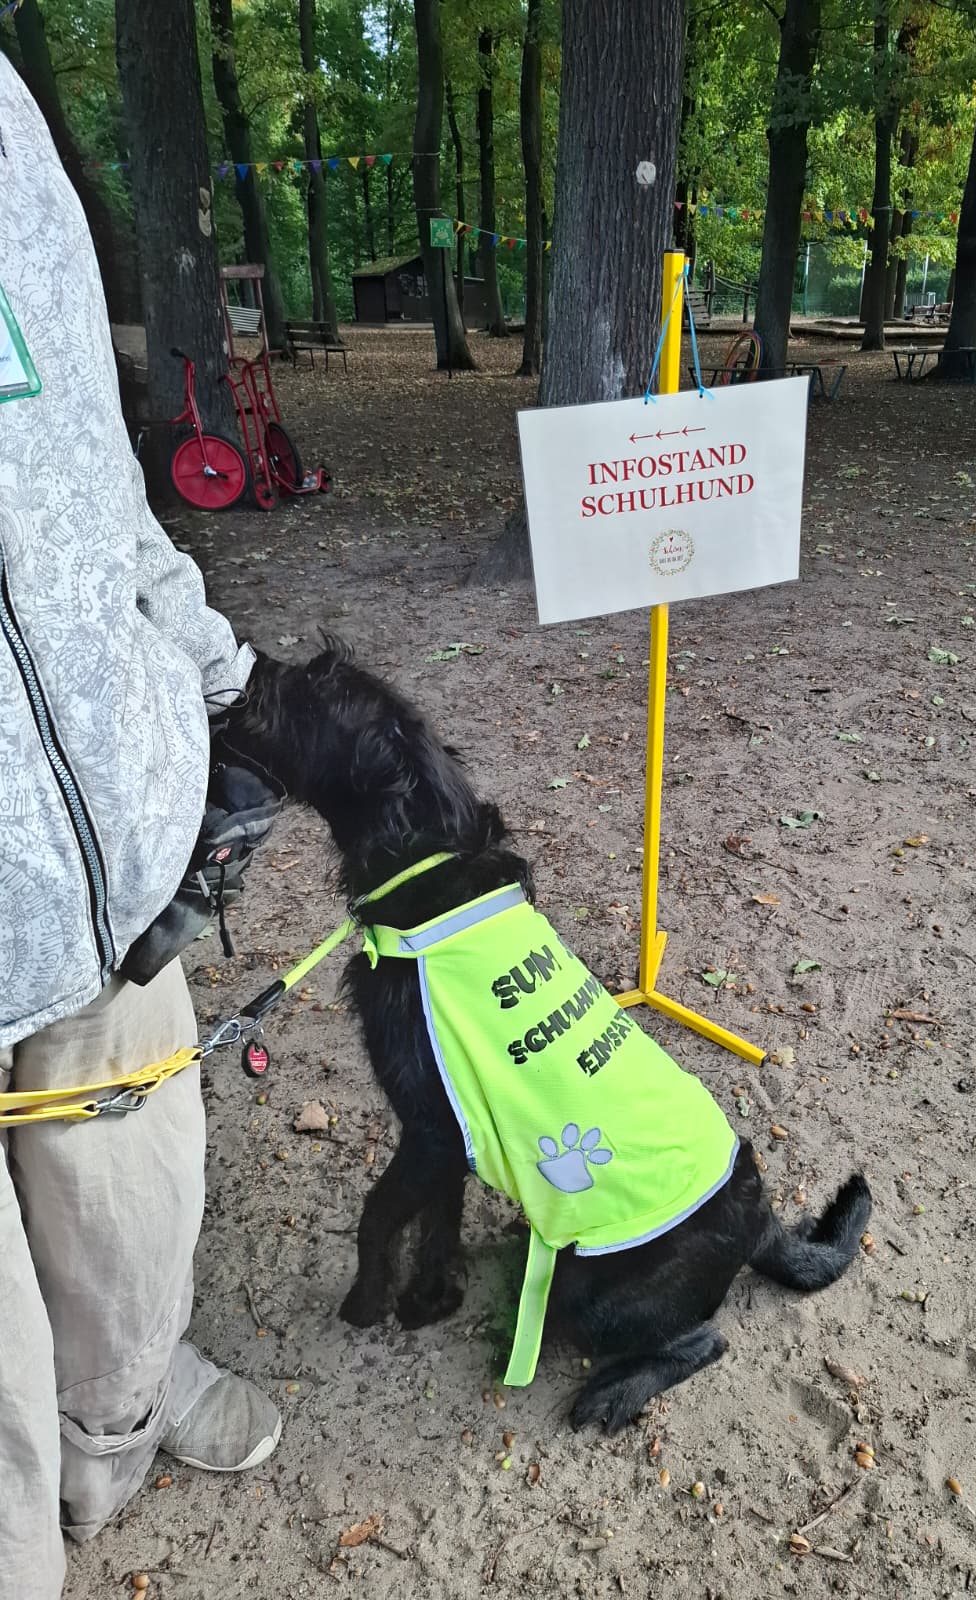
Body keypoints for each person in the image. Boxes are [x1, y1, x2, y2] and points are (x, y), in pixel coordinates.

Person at [0, 52, 280, 1600]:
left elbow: (83, 465)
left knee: (130, 1187)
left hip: (110, 848)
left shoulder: (1, 113)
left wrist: (212, 677)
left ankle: (118, 1412)